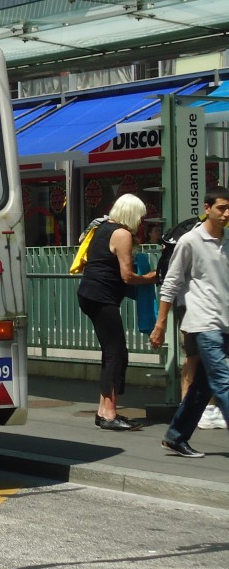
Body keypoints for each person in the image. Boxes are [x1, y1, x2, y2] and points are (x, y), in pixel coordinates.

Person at [149, 186, 229, 458]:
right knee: (223, 382)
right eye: (221, 208)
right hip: (203, 323)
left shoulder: (226, 242)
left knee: (204, 385)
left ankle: (176, 436)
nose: (226, 213)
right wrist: (160, 324)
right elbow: (170, 284)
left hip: (224, 322)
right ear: (207, 208)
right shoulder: (190, 241)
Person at [76, 194, 156, 431]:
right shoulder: (122, 234)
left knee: (111, 354)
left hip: (91, 294)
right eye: (140, 217)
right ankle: (110, 415)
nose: (141, 222)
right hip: (102, 297)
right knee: (117, 354)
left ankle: (103, 412)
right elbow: (127, 276)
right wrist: (151, 277)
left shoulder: (102, 227)